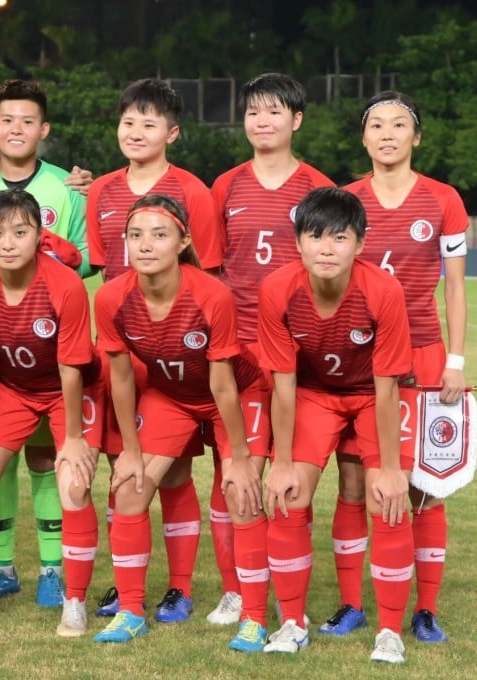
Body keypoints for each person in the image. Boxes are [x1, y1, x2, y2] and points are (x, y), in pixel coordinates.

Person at [320, 91, 469, 643]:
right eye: (376, 125)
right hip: (358, 356)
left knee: (424, 486)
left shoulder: (443, 199)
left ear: (416, 137)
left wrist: (455, 359)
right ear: (363, 139)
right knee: (355, 480)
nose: (387, 133)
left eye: (399, 124)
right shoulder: (344, 199)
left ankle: (425, 609)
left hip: (423, 354)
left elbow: (454, 284)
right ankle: (353, 603)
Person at [91, 194, 265, 646]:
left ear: (183, 240)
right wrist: (130, 452)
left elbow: (224, 384)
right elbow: (123, 378)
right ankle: (130, 611)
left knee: (241, 491)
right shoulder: (111, 297)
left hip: (235, 392)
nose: (145, 245)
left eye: (159, 234)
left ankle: (254, 614)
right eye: (135, 235)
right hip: (173, 394)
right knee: (128, 488)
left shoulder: (212, 294)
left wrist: (241, 457)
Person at [0, 79, 92, 608]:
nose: (16, 129)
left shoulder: (68, 186)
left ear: (44, 129)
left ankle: (54, 570)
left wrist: (54, 259)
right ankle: (1, 565)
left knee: (47, 459)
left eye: (27, 121)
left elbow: (87, 257)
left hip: (50, 334)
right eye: (7, 119)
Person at [257, 186, 415, 664]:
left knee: (385, 497)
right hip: (314, 395)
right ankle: (292, 622)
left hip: (372, 396)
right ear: (298, 242)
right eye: (315, 236)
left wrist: (389, 467)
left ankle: (390, 631)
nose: (327, 248)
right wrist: (281, 462)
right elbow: (283, 385)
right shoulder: (277, 290)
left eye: (340, 238)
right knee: (286, 496)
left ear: (360, 244)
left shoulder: (383, 290)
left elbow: (387, 385)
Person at [86, 78, 223, 622]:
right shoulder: (99, 190)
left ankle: (181, 587)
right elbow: (100, 269)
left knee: (176, 474)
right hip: (122, 351)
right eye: (128, 122)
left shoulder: (192, 191)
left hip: (178, 355)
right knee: (125, 470)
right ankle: (129, 580)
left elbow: (208, 275)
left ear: (172, 133)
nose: (136, 132)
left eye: (149, 123)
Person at [206, 72, 334, 625]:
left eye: (275, 111)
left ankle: (281, 594)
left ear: (296, 120)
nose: (262, 121)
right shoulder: (225, 185)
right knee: (230, 471)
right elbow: (210, 269)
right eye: (253, 112)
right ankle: (236, 590)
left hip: (294, 352)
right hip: (234, 350)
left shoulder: (320, 188)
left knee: (286, 476)